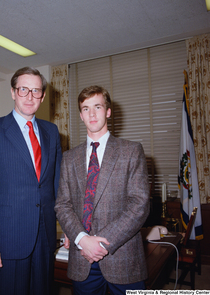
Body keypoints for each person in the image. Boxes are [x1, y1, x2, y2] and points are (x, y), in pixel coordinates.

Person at [0, 67, 62, 295]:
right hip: (9, 237)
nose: (30, 96)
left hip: (44, 236)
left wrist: (69, 231)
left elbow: (57, 186)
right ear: (13, 92)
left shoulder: (52, 132)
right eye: (24, 89)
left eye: (36, 91)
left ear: (42, 96)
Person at [55, 85, 150, 295]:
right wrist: (81, 239)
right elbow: (63, 204)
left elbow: (139, 205)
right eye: (86, 108)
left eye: (97, 107)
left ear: (108, 111)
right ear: (80, 115)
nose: (92, 113)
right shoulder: (69, 158)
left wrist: (99, 245)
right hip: (82, 260)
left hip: (122, 257)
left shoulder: (131, 151)